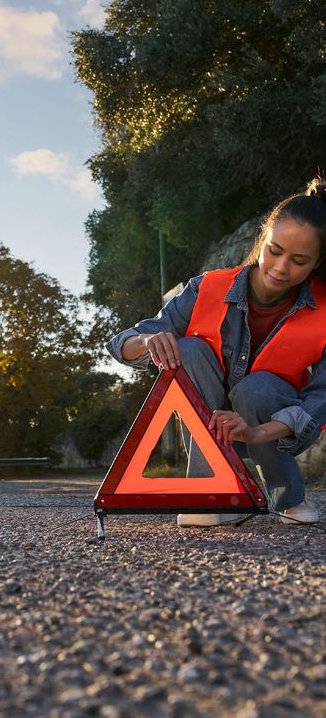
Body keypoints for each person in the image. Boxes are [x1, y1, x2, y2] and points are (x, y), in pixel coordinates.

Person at [107, 178, 326, 527]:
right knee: (188, 349)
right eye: (274, 250)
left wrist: (258, 432)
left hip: (271, 428)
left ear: (316, 263)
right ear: (262, 239)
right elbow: (123, 344)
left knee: (258, 388)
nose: (281, 268)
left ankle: (288, 497)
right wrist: (148, 342)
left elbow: (321, 397)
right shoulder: (206, 287)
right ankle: (206, 491)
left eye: (299, 260)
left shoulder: (325, 310)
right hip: (206, 425)